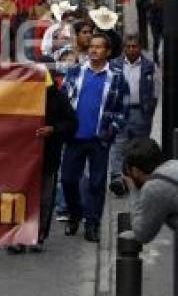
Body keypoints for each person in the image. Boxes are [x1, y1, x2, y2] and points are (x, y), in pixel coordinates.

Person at [60, 33, 130, 243]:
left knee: (97, 184)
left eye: (99, 47)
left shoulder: (116, 77)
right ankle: (74, 215)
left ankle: (93, 224)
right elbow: (64, 101)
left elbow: (123, 110)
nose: (93, 50)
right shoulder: (75, 72)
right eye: (91, 46)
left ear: (108, 52)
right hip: (74, 137)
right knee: (68, 180)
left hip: (99, 139)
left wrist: (110, 131)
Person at [8, 78, 78, 254]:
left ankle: (37, 236)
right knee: (20, 197)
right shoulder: (20, 95)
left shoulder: (58, 97)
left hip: (48, 158)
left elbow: (72, 124)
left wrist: (53, 129)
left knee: (45, 199)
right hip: (22, 159)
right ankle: (18, 236)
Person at [108, 35, 158, 196]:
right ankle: (117, 180)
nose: (131, 49)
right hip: (120, 110)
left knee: (139, 146)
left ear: (140, 47)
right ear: (124, 48)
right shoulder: (114, 64)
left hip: (140, 112)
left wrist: (149, 111)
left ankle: (137, 179)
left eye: (134, 46)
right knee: (118, 145)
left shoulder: (149, 66)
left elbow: (155, 91)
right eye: (128, 46)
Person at [121, 138, 178, 244]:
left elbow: (142, 234)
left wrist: (133, 191)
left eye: (129, 171)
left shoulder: (155, 187)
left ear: (135, 171)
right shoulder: (172, 164)